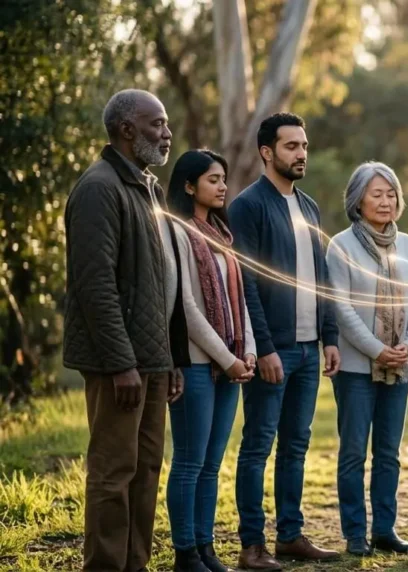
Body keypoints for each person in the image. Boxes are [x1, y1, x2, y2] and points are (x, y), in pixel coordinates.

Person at [64, 88, 188, 572]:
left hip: (151, 363)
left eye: (166, 122)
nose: (167, 132)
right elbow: (95, 287)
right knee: (113, 475)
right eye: (156, 123)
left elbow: (159, 283)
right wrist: (122, 364)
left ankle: (135, 564)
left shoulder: (147, 187)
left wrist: (169, 358)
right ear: (126, 129)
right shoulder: (99, 188)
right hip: (118, 365)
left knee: (145, 472)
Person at [228, 112, 341, 570]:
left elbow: (324, 278)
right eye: (291, 146)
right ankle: (252, 546)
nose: (301, 154)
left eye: (304, 146)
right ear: (267, 152)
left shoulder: (309, 207)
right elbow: (247, 283)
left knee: (297, 444)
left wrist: (329, 336)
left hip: (309, 348)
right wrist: (266, 347)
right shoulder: (248, 206)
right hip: (274, 351)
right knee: (258, 445)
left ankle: (290, 536)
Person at [325, 162, 408, 557]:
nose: (385, 201)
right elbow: (342, 309)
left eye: (391, 194)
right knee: (353, 452)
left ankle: (385, 529)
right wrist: (376, 349)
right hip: (355, 367)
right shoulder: (341, 246)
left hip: (400, 365)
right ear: (358, 200)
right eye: (376, 194)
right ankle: (355, 533)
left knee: (388, 453)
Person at [164, 150, 257, 572]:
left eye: (223, 179)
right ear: (188, 186)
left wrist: (248, 351)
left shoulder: (222, 234)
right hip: (197, 362)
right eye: (212, 179)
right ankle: (185, 553)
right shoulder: (179, 232)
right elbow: (186, 307)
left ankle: (205, 549)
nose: (222, 186)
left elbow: (239, 302)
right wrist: (227, 357)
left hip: (230, 363)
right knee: (189, 462)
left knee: (211, 464)